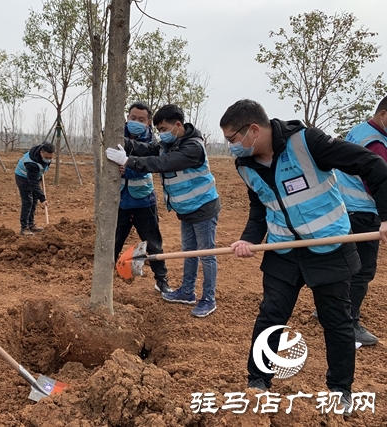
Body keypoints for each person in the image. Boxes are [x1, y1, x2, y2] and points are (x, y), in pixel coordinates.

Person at [219, 99, 387, 413]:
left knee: (337, 323)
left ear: (253, 130)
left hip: (330, 247)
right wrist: (248, 239)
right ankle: (258, 381)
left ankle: (340, 391)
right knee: (270, 317)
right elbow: (260, 207)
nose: (232, 147)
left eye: (233, 139)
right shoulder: (245, 165)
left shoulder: (309, 143)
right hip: (283, 252)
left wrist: (386, 214)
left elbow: (372, 165)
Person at [106, 104, 221, 317]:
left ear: (178, 125)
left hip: (204, 208)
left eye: (164, 129)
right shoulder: (172, 144)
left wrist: (128, 162)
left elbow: (163, 162)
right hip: (186, 210)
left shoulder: (192, 148)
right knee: (190, 252)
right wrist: (121, 142)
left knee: (206, 254)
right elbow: (150, 149)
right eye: (158, 130)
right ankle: (187, 292)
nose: (161, 134)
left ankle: (209, 298)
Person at [331, 96, 387, 346]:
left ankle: (331, 309)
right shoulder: (376, 144)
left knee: (342, 263)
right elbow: (378, 182)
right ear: (383, 115)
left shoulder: (359, 131)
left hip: (345, 208)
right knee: (362, 270)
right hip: (363, 212)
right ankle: (349, 322)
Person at [114, 102, 170, 293]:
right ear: (127, 118)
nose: (136, 122)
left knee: (153, 243)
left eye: (141, 119)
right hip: (119, 202)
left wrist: (127, 166)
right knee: (113, 242)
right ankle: (106, 279)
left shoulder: (153, 145)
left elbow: (148, 165)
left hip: (143, 201)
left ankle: (161, 280)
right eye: (133, 118)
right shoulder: (114, 137)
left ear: (148, 123)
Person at [14, 142, 54, 236]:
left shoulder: (45, 155)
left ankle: (31, 224)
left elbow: (40, 171)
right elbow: (33, 183)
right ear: (41, 153)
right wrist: (43, 198)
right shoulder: (31, 162)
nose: (48, 160)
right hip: (22, 177)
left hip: (34, 176)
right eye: (47, 157)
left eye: (50, 158)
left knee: (34, 200)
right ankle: (24, 228)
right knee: (28, 202)